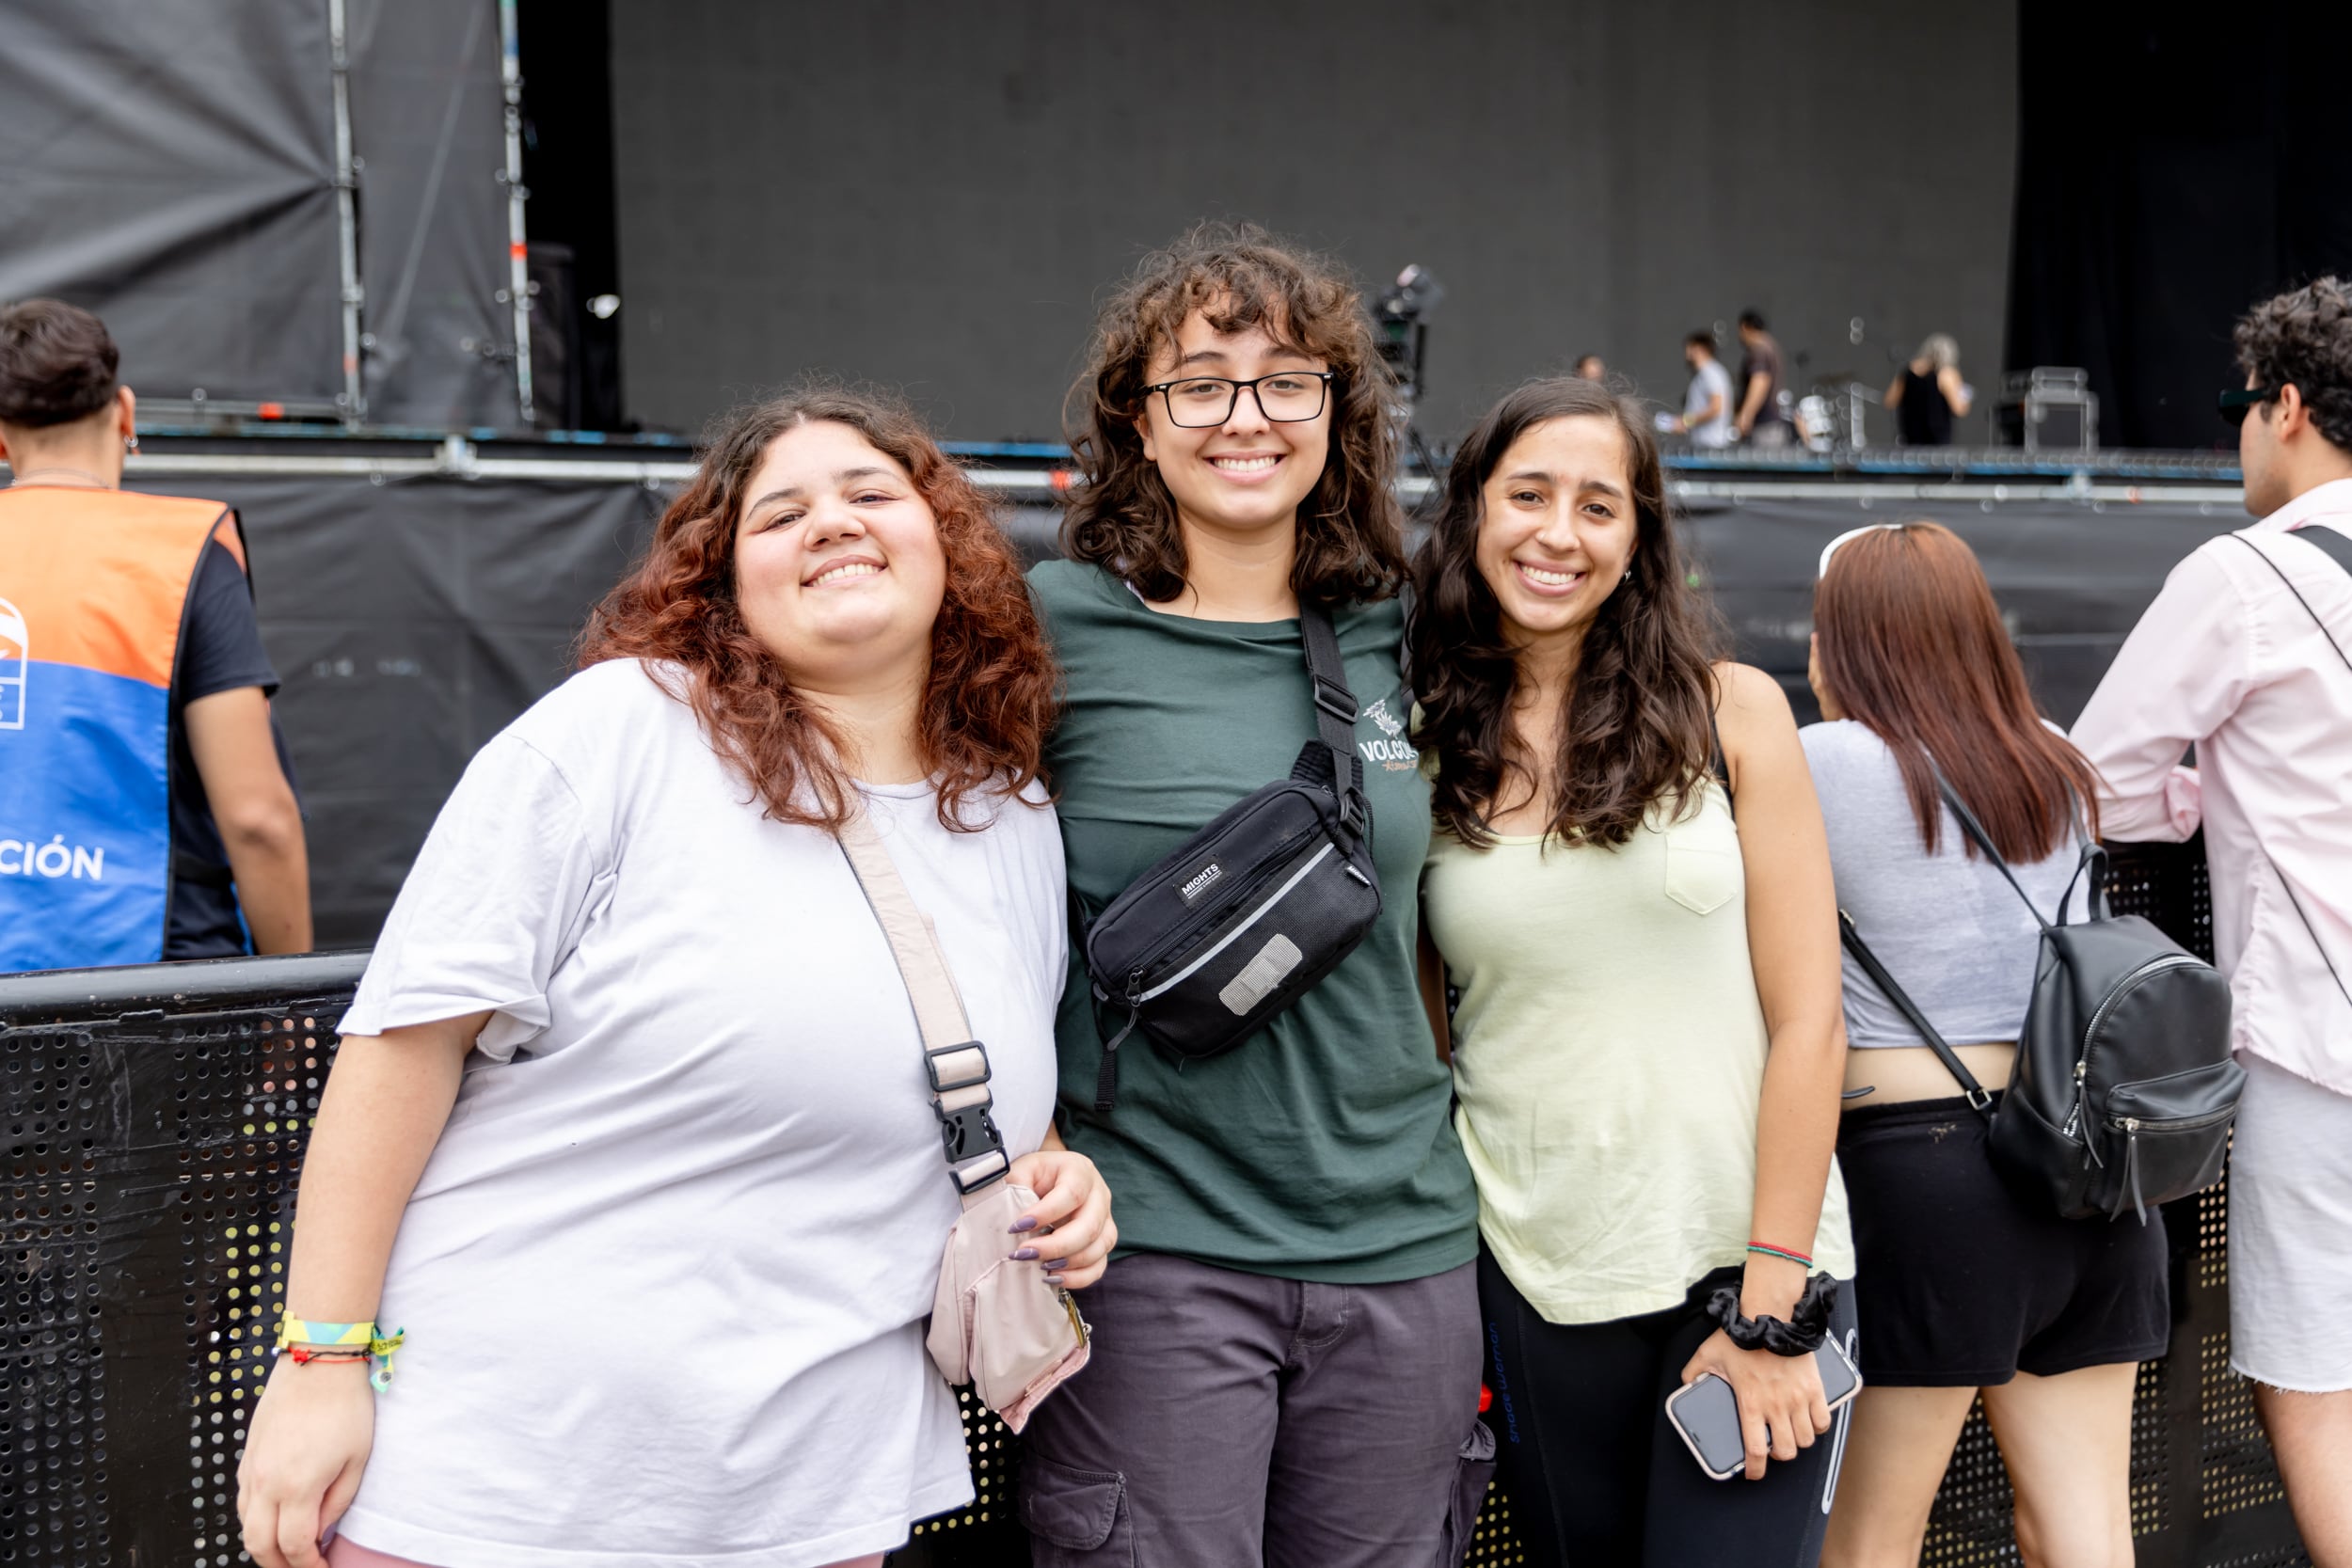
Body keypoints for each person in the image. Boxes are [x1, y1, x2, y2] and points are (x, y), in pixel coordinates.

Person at [233, 387, 1116, 1568]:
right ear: (723, 582)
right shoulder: (618, 734)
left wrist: (1059, 1178)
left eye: (869, 493)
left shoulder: (1010, 814)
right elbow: (402, 1046)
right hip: (507, 1485)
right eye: (780, 513)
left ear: (946, 542)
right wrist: (322, 1361)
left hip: (813, 1498)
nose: (832, 523)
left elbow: (993, 1084)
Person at [1021, 223, 1484, 1567]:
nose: (1246, 415)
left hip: (1403, 1242)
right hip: (1151, 1246)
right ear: (1139, 423)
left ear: (1337, 417)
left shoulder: (1413, 631)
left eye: (1288, 380)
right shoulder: (1050, 630)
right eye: (1201, 381)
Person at [1412, 376, 1856, 1567]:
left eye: (1598, 505)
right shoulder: (1417, 741)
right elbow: (1425, 1026)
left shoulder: (1734, 714)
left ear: (1637, 540)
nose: (1559, 532)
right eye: (1528, 494)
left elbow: (1812, 1017)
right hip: (1535, 1267)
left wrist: (1771, 1297)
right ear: (1471, 513)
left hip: (1749, 1260)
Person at [1803, 521, 2162, 1568]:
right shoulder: (2050, 756)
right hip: (2088, 1171)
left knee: (1868, 1534)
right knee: (2083, 1529)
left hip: (1923, 1176)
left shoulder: (1814, 762)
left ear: (1847, 639)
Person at [2072, 277, 2352, 1565]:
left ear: (2287, 404)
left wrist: (2208, 788)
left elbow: (2105, 775)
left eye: (2245, 406)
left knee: (2316, 1365)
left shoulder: (2247, 572)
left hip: (2321, 1044)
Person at [0, 298, 309, 968]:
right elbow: (257, 819)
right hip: (153, 999)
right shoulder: (186, 551)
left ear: (2, 438)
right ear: (126, 414)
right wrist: (294, 1009)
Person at [1882, 335, 1973, 447]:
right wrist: (1965, 395)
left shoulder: (1907, 372)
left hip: (1910, 436)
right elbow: (1959, 409)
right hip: (1937, 440)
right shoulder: (1946, 374)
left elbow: (1889, 401)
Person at [1736, 309, 1796, 448]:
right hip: (1773, 425)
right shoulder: (1772, 346)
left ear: (1745, 327)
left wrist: (1746, 415)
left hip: (1763, 427)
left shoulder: (1759, 350)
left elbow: (1760, 380)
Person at [1677, 330, 1735, 449]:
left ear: (1700, 348)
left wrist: (1686, 421)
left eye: (1690, 346)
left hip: (1710, 446)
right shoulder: (1706, 373)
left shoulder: (1711, 373)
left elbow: (1716, 407)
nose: (1686, 352)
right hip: (1705, 445)